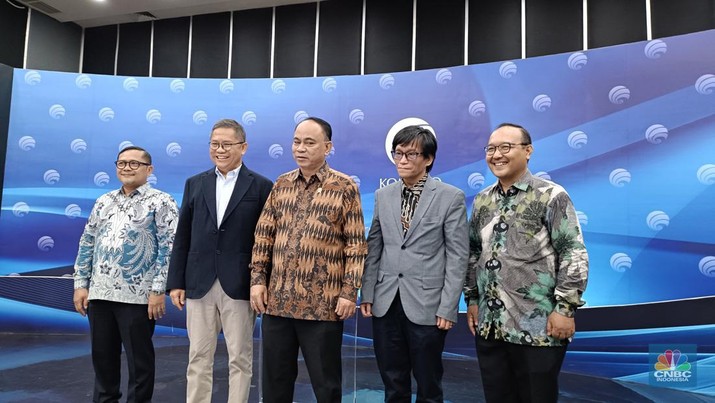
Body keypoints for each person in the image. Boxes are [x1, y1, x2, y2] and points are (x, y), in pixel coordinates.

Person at [463, 123, 589, 402]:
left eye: (506, 147)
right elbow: (473, 252)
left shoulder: (551, 195)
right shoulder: (482, 200)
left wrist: (565, 308)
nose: (497, 155)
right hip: (490, 326)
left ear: (528, 151)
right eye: (491, 149)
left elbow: (572, 251)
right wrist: (472, 299)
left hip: (539, 326)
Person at [249, 117, 368, 403]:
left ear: (327, 147)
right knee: (275, 384)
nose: (300, 148)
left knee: (326, 386)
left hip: (323, 307)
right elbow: (263, 236)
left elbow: (355, 245)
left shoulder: (344, 187)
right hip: (278, 303)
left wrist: (349, 293)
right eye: (296, 141)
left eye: (309, 142)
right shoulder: (281, 184)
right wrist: (257, 282)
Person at [166, 119, 273, 403]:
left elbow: (267, 240)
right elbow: (183, 235)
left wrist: (261, 283)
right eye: (215, 144)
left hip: (240, 284)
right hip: (199, 282)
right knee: (198, 356)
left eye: (227, 144)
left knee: (240, 357)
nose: (220, 150)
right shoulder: (195, 183)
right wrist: (176, 281)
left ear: (243, 147)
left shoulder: (262, 186)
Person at [361, 125, 469, 403]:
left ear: (428, 159)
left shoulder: (450, 197)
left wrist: (449, 306)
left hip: (428, 305)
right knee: (392, 381)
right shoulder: (383, 196)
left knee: (428, 383)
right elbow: (374, 247)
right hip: (385, 302)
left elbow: (458, 256)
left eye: (410, 154)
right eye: (398, 154)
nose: (402, 160)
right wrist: (368, 292)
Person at [73, 146, 179, 403]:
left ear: (149, 170)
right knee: (103, 358)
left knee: (139, 362)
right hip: (99, 293)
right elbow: (87, 242)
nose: (127, 168)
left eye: (134, 164)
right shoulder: (104, 201)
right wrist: (80, 284)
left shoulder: (161, 201)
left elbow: (169, 248)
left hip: (138, 297)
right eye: (122, 163)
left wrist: (157, 290)